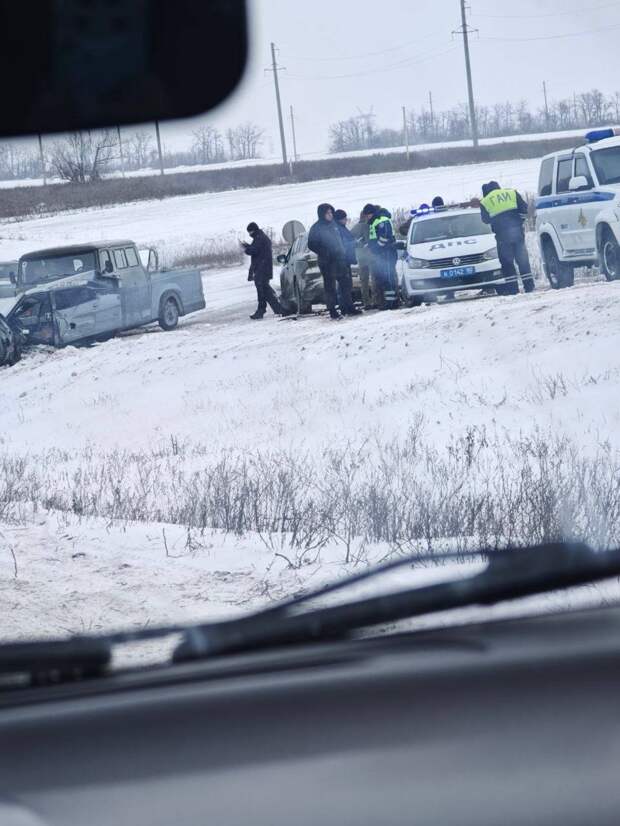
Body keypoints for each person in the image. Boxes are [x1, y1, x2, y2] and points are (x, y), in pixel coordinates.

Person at [480, 181, 534, 295]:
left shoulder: (485, 201)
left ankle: (513, 289)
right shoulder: (512, 193)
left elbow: (485, 220)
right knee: (522, 260)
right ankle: (529, 287)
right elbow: (524, 209)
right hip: (517, 232)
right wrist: (518, 221)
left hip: (502, 236)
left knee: (507, 262)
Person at [307, 203, 357, 320]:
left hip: (340, 259)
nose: (330, 215)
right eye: (328, 213)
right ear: (322, 214)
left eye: (331, 213)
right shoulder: (317, 227)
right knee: (330, 287)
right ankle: (332, 310)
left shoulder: (334, 225)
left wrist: (344, 250)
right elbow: (311, 244)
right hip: (327, 262)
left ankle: (348, 307)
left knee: (346, 284)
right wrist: (324, 251)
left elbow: (341, 238)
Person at [242, 222, 284, 319]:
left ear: (254, 230)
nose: (250, 234)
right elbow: (256, 249)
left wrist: (246, 248)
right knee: (266, 291)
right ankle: (278, 309)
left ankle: (261, 311)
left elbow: (253, 251)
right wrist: (248, 246)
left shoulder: (260, 238)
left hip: (262, 268)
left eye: (250, 232)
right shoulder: (260, 237)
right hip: (263, 268)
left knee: (262, 291)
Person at [367, 204, 400, 310]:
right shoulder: (375, 221)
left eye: (367, 215)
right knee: (386, 278)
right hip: (383, 253)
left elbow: (385, 237)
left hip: (386, 253)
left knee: (388, 278)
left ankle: (391, 303)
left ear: (371, 213)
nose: (367, 218)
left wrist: (377, 247)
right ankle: (391, 301)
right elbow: (375, 237)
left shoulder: (381, 220)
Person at [334, 209, 362, 315]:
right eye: (344, 218)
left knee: (346, 286)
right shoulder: (338, 229)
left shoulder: (340, 228)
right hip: (341, 261)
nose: (346, 220)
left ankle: (347, 307)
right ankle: (347, 308)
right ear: (340, 219)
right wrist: (354, 243)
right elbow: (343, 244)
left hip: (344, 261)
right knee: (344, 286)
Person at [351, 206, 374, 309]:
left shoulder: (354, 228)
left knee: (363, 281)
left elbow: (350, 241)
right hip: (370, 255)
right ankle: (375, 300)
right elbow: (371, 241)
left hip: (360, 257)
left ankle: (366, 302)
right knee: (373, 279)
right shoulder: (368, 226)